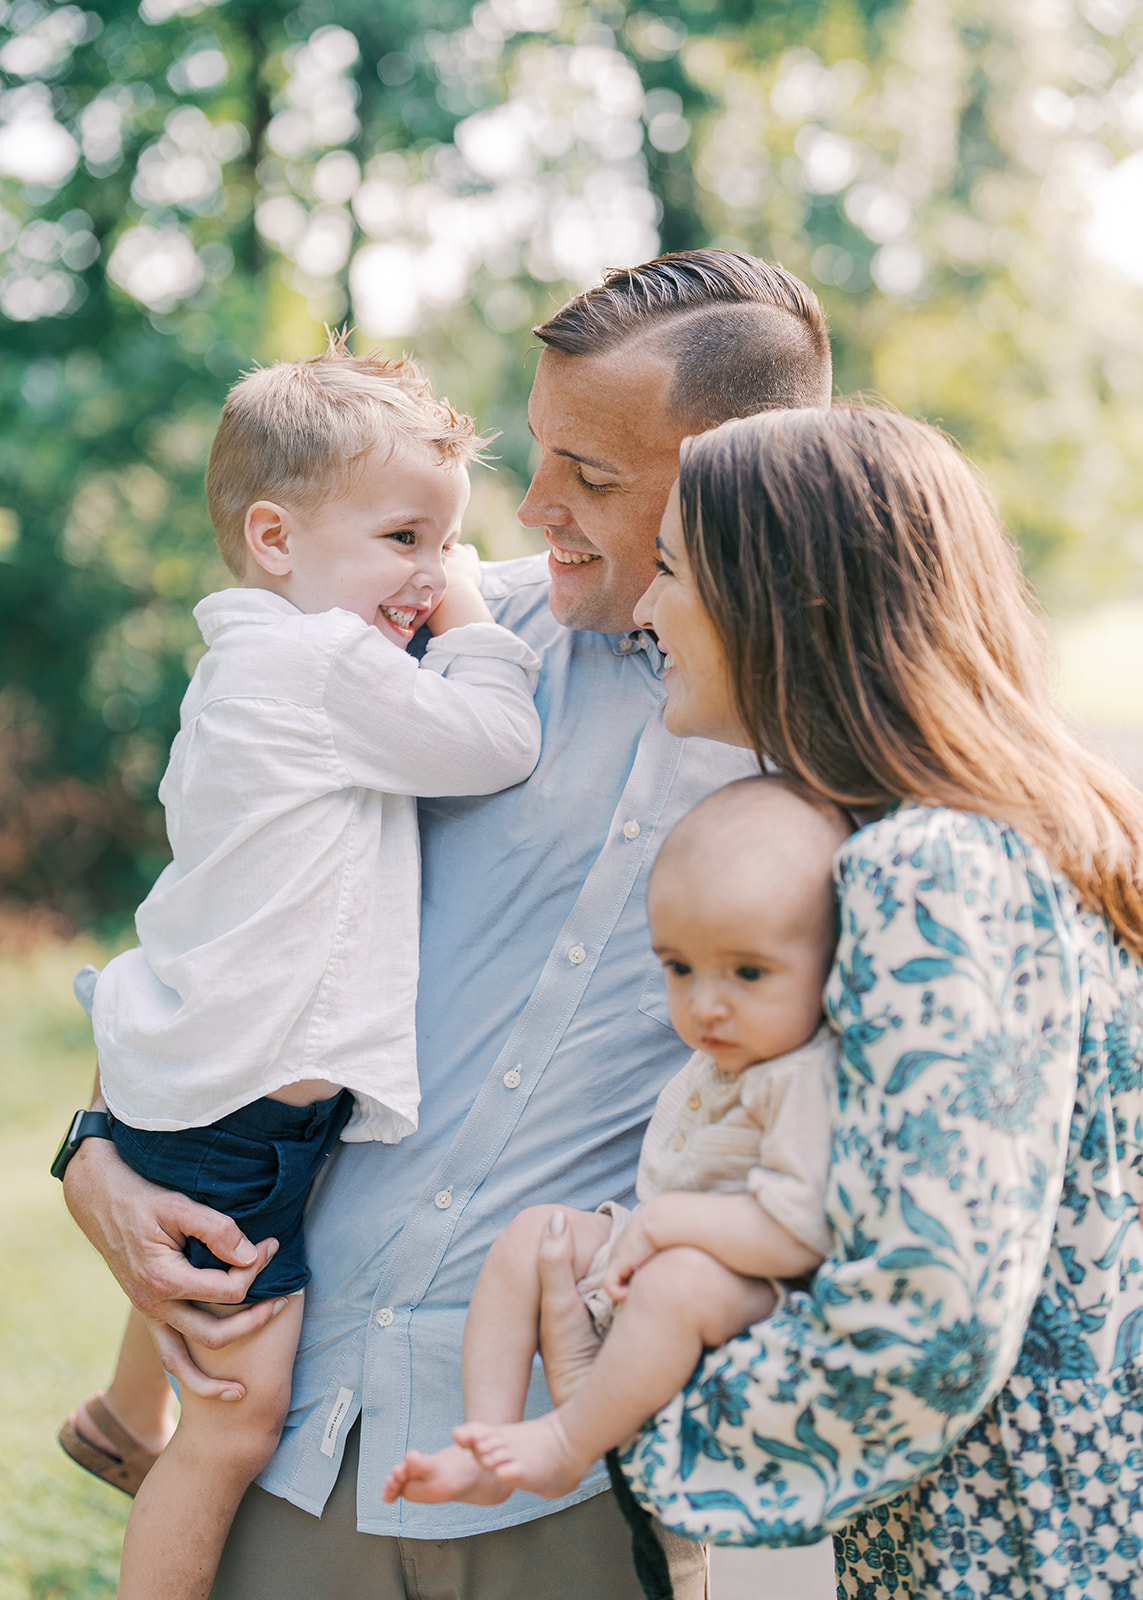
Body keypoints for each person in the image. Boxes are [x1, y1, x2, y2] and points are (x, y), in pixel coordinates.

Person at [60, 250, 833, 1600]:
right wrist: (93, 1158)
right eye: (540, 456)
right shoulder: (422, 643)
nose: (532, 509)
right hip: (309, 1430)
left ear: (734, 476)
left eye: (589, 476)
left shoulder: (846, 759)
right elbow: (233, 906)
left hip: (576, 1470)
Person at [583, 404, 1143, 1595]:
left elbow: (926, 1316)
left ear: (783, 600)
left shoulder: (925, 871)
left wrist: (651, 1418)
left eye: (674, 569)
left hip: (1000, 1552)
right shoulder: (1038, 833)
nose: (644, 608)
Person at [57, 341, 542, 1600]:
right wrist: (482, 615)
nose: (431, 575)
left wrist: (418, 580)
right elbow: (493, 743)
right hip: (238, 1117)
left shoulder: (246, 659)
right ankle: (144, 1456)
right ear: (274, 538)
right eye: (404, 539)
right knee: (232, 1420)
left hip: (199, 1078)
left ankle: (119, 1408)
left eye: (445, 544)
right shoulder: (325, 665)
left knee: (193, 1304)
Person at [383, 775, 849, 1509]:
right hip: (657, 1249)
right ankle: (483, 1441)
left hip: (752, 1287)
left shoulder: (802, 1075)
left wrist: (662, 1227)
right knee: (533, 1233)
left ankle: (567, 1445)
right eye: (679, 968)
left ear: (831, 966)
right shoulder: (736, 1048)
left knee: (678, 1282)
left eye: (748, 972)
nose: (705, 1004)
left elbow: (799, 1229)